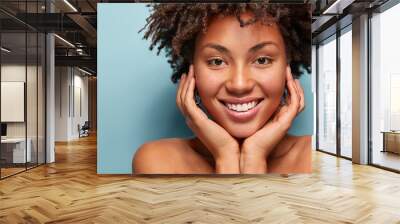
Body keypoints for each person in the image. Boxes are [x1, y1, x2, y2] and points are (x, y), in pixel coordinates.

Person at [133, 3, 312, 174]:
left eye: (262, 60)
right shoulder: (158, 162)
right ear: (191, 69)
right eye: (217, 61)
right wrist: (225, 155)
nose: (239, 85)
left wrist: (255, 156)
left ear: (287, 67)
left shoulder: (316, 158)